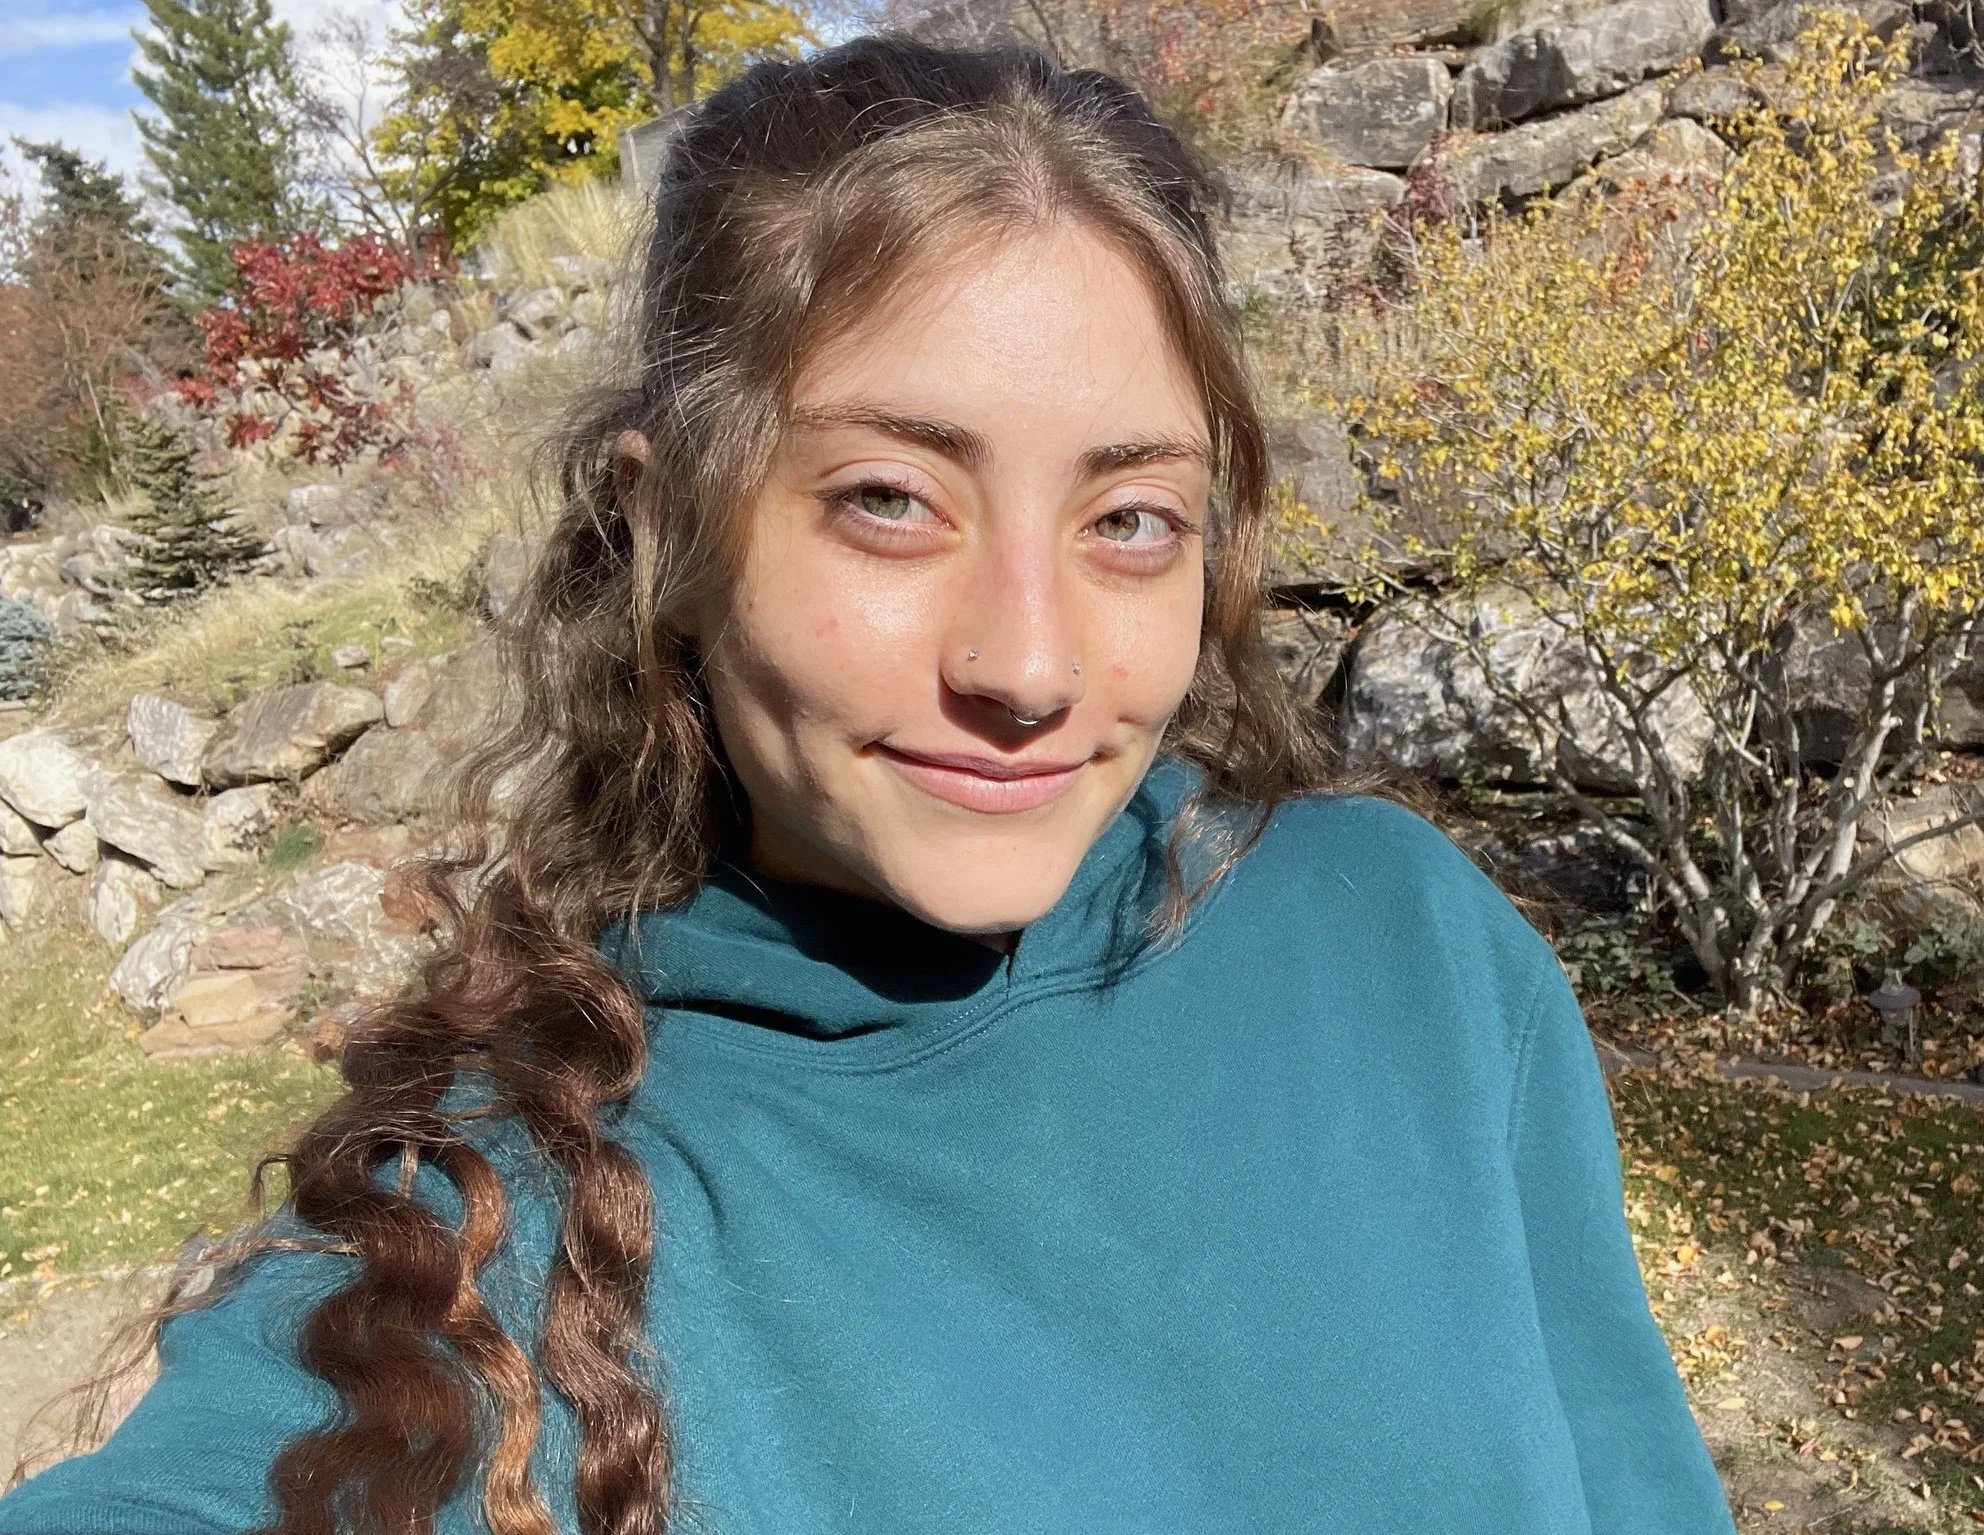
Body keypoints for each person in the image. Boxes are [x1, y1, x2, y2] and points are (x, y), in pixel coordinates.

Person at [0, 31, 1740, 1535]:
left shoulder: (1410, 951)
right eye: (892, 501)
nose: (1031, 667)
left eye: (1131, 518)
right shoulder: (481, 1234)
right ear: (670, 529)